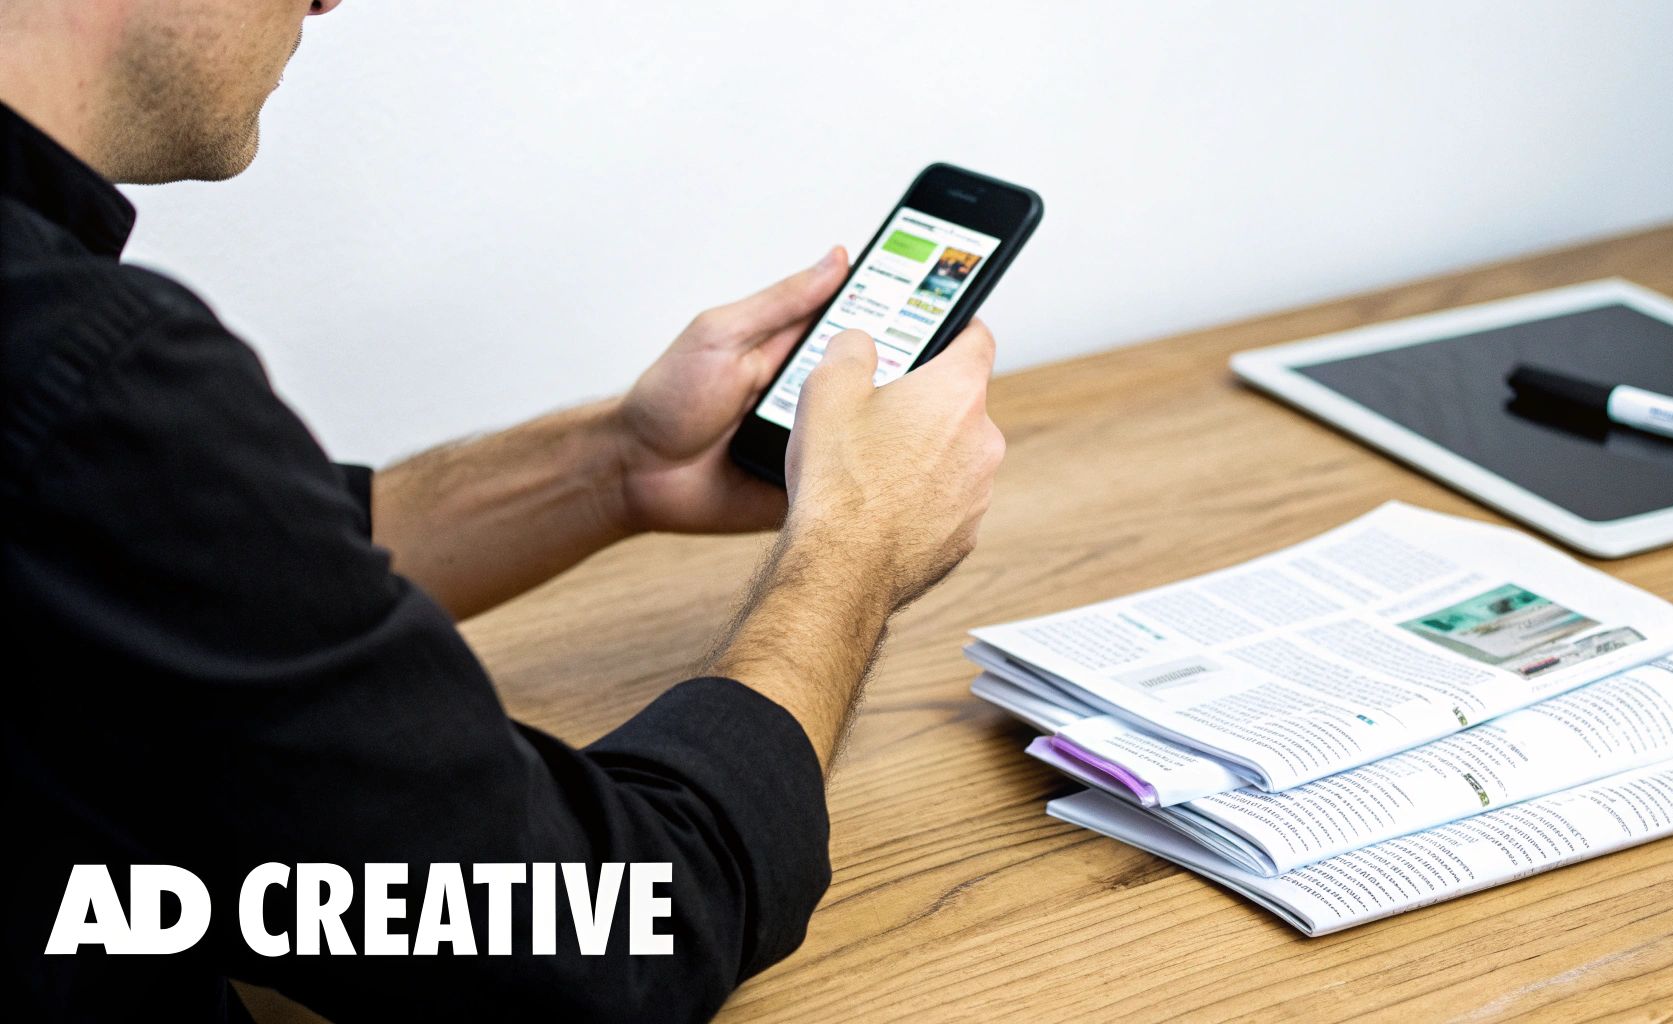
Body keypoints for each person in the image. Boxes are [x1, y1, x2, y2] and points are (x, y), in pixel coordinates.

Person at [0, 1, 1005, 1020]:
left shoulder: (73, 402)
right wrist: (851, 546)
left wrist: (615, 465)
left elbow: (187, 567)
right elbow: (612, 939)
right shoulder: (83, 371)